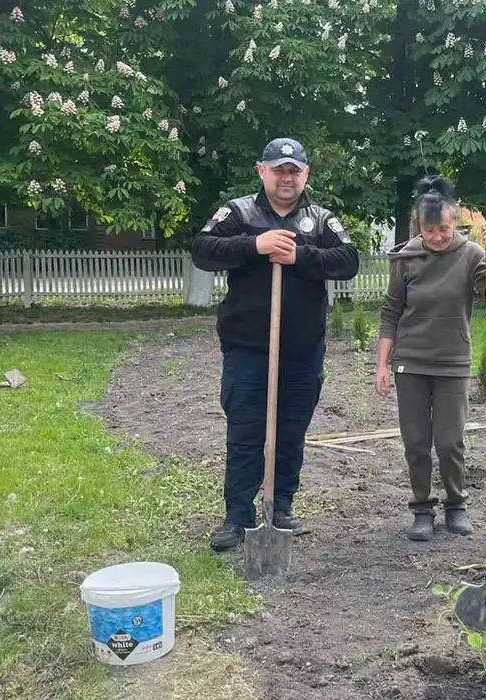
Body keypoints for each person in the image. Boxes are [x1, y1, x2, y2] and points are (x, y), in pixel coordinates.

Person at [191, 137, 360, 552]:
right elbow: (203, 250)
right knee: (245, 432)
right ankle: (238, 516)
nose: (287, 177)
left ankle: (281, 506)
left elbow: (349, 261)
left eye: (294, 171)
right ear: (262, 171)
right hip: (248, 348)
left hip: (302, 351)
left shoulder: (320, 220)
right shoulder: (238, 212)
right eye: (279, 169)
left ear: (306, 175)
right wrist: (256, 245)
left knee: (289, 433)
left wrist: (299, 256)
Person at [376, 176, 486, 541]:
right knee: (416, 441)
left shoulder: (470, 255)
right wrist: (382, 365)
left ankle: (456, 504)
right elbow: (391, 312)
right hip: (411, 362)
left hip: (453, 361)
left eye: (445, 229)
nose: (437, 237)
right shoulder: (406, 258)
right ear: (420, 226)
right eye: (430, 230)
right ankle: (422, 508)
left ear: (456, 224)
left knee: (450, 441)